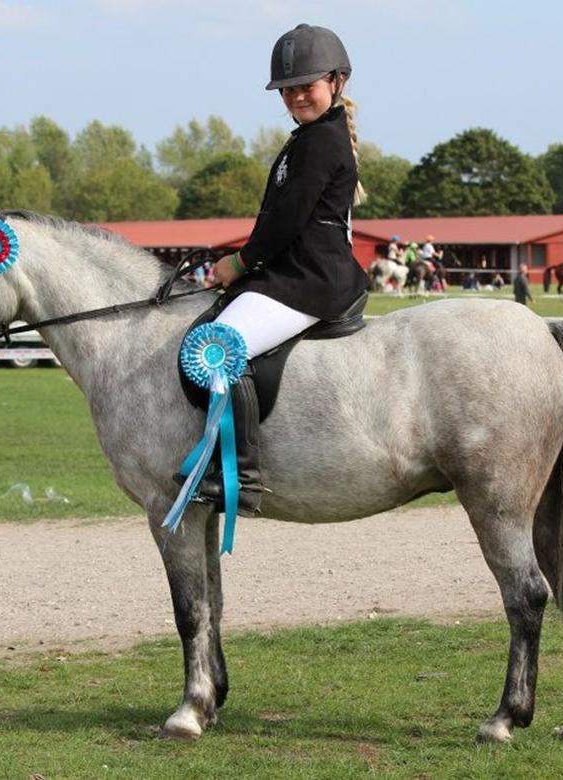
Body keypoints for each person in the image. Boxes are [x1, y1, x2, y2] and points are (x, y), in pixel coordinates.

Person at [196, 23, 369, 515]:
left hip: (310, 281)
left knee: (222, 343)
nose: (295, 97)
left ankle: (242, 474)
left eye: (305, 87)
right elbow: (278, 218)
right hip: (294, 273)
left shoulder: (321, 141)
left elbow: (290, 221)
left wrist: (241, 261)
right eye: (288, 90)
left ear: (336, 82)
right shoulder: (310, 137)